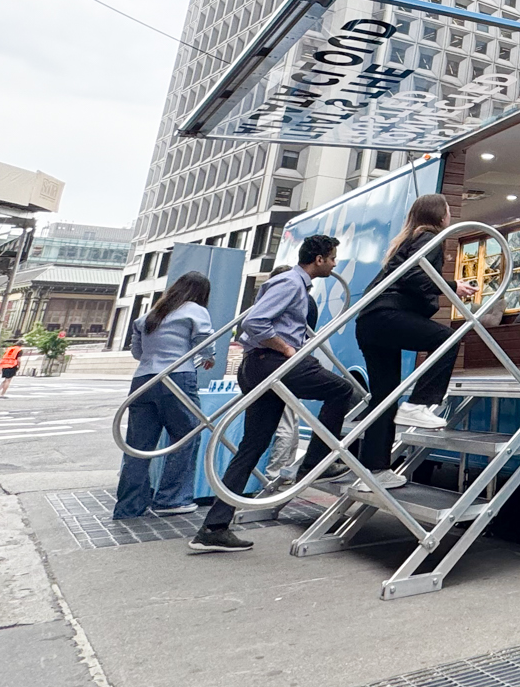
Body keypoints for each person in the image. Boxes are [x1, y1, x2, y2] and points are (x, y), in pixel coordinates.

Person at [188, 235, 359, 554]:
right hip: (272, 362)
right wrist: (288, 348)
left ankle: (214, 527)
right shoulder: (291, 282)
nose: (335, 264)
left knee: (253, 445)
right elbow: (254, 322)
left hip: (261, 364)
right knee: (342, 389)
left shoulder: (294, 285)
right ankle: (316, 462)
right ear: (319, 259)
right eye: (333, 258)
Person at [353, 194, 479, 487]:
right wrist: (451, 287)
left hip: (370, 320)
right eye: (448, 211)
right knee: (447, 338)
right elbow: (414, 276)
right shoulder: (431, 238)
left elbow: (410, 274)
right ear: (440, 215)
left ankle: (375, 470)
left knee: (384, 397)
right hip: (387, 315)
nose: (450, 217)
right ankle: (420, 404)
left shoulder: (408, 239)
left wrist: (451, 286)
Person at [115, 272, 217, 519]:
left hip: (142, 381)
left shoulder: (153, 313)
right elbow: (205, 338)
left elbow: (137, 351)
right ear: (201, 292)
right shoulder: (194, 309)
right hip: (176, 377)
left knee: (138, 447)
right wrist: (209, 357)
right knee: (186, 437)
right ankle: (171, 500)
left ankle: (129, 507)